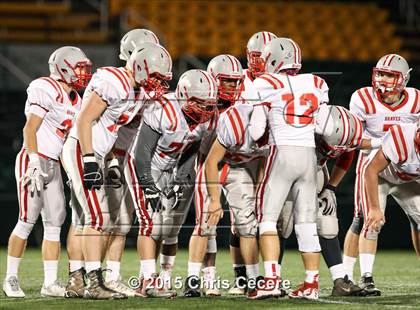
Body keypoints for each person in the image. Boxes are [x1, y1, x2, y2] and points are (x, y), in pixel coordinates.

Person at [61, 42, 172, 299]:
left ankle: (81, 282)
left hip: (98, 152)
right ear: (142, 68)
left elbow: (114, 132)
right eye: (156, 77)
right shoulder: (114, 80)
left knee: (92, 218)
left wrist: (110, 161)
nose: (158, 83)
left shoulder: (137, 91)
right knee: (96, 218)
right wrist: (89, 159)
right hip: (81, 147)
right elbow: (85, 119)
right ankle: (93, 284)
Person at [3, 46, 91, 298]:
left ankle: (50, 282)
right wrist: (32, 161)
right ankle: (10, 278)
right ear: (63, 68)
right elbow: (29, 130)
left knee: (55, 223)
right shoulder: (45, 87)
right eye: (80, 68)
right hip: (35, 160)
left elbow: (69, 143)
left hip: (54, 163)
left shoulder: (78, 99)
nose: (84, 73)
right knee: (27, 219)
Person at [250, 37, 325, 299]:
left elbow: (257, 129)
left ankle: (270, 280)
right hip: (308, 156)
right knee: (306, 223)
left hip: (280, 153)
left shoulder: (265, 83)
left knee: (267, 220)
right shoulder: (316, 83)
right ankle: (311, 284)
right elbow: (323, 127)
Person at [135, 69, 218, 297]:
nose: (206, 110)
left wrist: (181, 177)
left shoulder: (207, 121)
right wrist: (148, 185)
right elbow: (141, 153)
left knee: (169, 227)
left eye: (210, 105)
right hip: (149, 166)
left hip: (174, 167)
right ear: (183, 96)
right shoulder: (164, 109)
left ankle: (158, 278)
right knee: (151, 224)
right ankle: (149, 282)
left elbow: (191, 147)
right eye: (200, 103)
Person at [342, 54, 419, 295]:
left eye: (390, 75)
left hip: (408, 166)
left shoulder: (416, 100)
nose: (383, 80)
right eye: (381, 73)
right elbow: (352, 138)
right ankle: (355, 276)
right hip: (374, 166)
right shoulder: (362, 98)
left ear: (404, 79)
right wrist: (382, 143)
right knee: (366, 218)